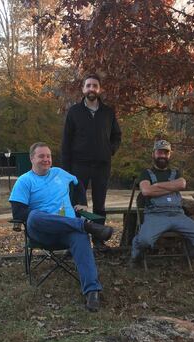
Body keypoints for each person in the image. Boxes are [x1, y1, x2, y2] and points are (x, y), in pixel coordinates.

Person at [9, 142, 114, 312]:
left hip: (67, 231)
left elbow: (77, 182)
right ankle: (85, 225)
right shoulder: (24, 181)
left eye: (48, 156)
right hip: (42, 232)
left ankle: (92, 291)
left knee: (80, 236)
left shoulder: (59, 173)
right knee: (34, 215)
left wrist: (82, 202)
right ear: (32, 158)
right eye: (41, 156)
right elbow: (18, 213)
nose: (46, 159)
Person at [61, 74, 122, 247]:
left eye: (95, 85)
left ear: (99, 89)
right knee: (78, 204)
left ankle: (99, 239)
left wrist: (110, 150)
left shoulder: (108, 112)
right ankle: (79, 239)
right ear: (83, 89)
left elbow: (117, 135)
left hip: (102, 165)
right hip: (78, 165)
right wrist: (66, 170)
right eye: (88, 85)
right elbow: (66, 141)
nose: (91, 88)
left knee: (100, 204)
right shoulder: (74, 112)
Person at [131, 140, 194, 265]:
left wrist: (157, 186)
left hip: (177, 215)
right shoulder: (146, 173)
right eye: (160, 152)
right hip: (155, 215)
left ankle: (188, 256)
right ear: (153, 154)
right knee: (145, 241)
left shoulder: (175, 173)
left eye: (166, 153)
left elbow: (182, 184)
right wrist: (172, 187)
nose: (163, 156)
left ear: (170, 155)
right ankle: (136, 253)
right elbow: (147, 191)